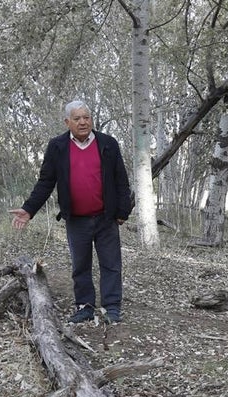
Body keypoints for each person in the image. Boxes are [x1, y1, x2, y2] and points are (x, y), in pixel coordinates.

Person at [11, 101, 134, 324]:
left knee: (111, 264)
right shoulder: (57, 147)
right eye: (77, 118)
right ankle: (84, 307)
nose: (83, 122)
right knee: (80, 265)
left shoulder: (108, 144)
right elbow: (46, 182)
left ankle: (112, 307)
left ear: (91, 119)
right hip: (76, 220)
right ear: (67, 122)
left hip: (106, 218)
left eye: (86, 117)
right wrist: (29, 209)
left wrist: (123, 211)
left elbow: (121, 180)